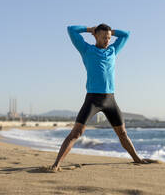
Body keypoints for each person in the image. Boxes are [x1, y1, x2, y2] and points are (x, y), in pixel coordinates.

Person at [50, 24, 154, 172]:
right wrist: (89, 29)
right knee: (76, 133)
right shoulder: (86, 50)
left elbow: (126, 35)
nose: (107, 40)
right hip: (92, 99)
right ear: (96, 36)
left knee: (122, 133)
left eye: (109, 38)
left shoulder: (113, 50)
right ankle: (56, 165)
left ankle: (137, 159)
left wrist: (112, 31)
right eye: (104, 37)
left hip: (110, 99)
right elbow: (70, 29)